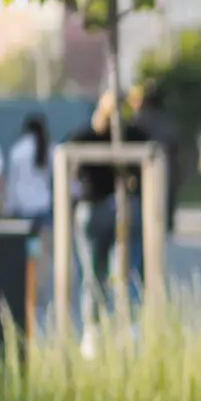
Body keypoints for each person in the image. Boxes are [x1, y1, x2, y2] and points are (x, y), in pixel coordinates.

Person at [65, 91, 152, 327]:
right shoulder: (133, 135)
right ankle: (130, 324)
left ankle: (93, 328)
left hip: (92, 206)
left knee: (93, 274)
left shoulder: (85, 136)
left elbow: (70, 157)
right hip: (121, 206)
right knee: (127, 270)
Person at [128, 82, 183, 235]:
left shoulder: (137, 121)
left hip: (142, 180)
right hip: (167, 176)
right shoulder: (168, 121)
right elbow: (178, 151)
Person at [6, 113, 55, 254]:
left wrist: (9, 208)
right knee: (44, 249)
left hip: (22, 207)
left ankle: (28, 275)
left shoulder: (17, 150)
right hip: (42, 205)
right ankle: (41, 276)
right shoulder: (49, 149)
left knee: (27, 249)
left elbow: (13, 182)